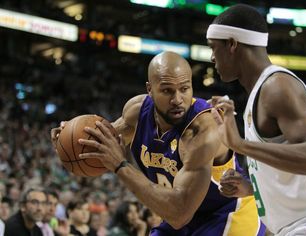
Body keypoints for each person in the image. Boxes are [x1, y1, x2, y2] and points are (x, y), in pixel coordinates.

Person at [51, 51, 265, 235]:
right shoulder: (136, 112)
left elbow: (180, 213)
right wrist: (68, 143)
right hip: (181, 219)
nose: (177, 99)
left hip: (227, 216)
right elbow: (99, 148)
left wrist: (120, 166)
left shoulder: (202, 130)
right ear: (149, 89)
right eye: (167, 90)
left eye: (184, 88)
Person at [206, 4, 306, 236]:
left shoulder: (276, 87)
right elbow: (296, 174)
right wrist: (252, 187)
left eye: (214, 47)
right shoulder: (260, 94)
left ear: (232, 44)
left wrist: (240, 145)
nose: (212, 57)